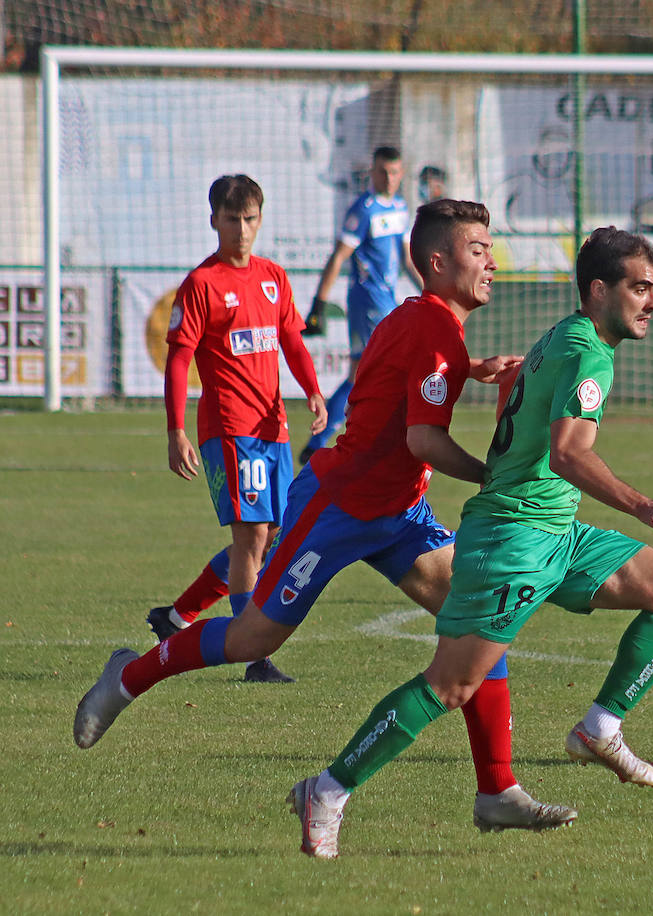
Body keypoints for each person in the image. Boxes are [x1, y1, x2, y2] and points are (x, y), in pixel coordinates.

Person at [74, 200, 576, 852]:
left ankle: (496, 790)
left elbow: (393, 382)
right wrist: (496, 476)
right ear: (437, 262)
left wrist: (468, 371)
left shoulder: (431, 325)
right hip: (337, 506)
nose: (491, 259)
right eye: (477, 249)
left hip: (398, 513)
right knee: (253, 639)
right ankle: (126, 677)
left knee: (479, 622)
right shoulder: (432, 328)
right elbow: (424, 440)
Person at [288, 226, 653, 857]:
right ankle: (327, 788)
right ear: (600, 290)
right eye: (641, 289)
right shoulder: (586, 353)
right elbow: (568, 454)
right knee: (451, 685)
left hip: (552, 531)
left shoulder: (567, 335)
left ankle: (599, 727)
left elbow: (528, 414)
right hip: (513, 539)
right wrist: (640, 505)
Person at [152, 174, 328, 683]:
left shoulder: (273, 276)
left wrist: (313, 390)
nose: (243, 229)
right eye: (233, 219)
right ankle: (254, 656)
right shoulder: (201, 284)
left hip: (273, 427)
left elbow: (291, 342)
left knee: (268, 537)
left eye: (251, 219)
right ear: (214, 221)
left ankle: (176, 617)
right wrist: (175, 429)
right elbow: (179, 359)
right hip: (230, 429)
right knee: (251, 538)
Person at [299, 146, 423, 463]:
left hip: (386, 299)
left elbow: (406, 258)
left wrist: (430, 289)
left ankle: (324, 436)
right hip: (368, 300)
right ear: (372, 172)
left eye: (395, 172)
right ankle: (371, 435)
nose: (389, 178)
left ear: (402, 173)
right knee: (387, 366)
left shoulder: (399, 206)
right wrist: (319, 303)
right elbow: (339, 255)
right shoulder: (363, 209)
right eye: (383, 171)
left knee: (362, 372)